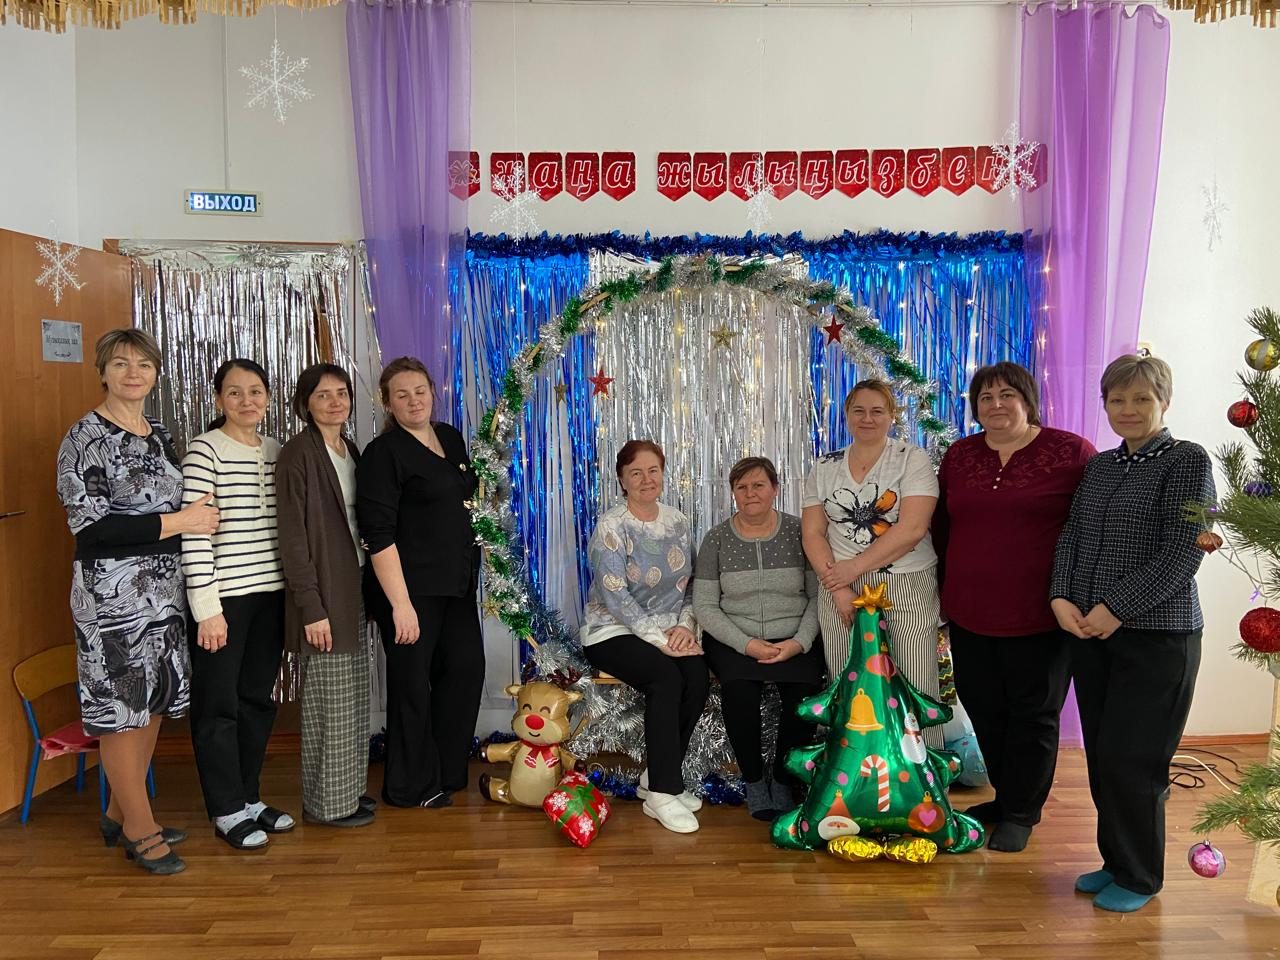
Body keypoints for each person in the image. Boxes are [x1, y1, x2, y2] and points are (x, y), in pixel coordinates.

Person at [1051, 354, 1214, 913]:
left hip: (1158, 638)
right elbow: (1072, 536)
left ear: (1163, 401)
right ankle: (1116, 860)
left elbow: (1183, 552)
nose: (1128, 409)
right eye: (1117, 399)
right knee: (1103, 756)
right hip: (1092, 634)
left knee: (1135, 761)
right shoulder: (1101, 466)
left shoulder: (1188, 460)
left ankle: (1141, 877)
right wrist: (1061, 596)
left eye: (1141, 399)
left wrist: (1115, 609)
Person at [56, 328, 219, 875]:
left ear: (155, 374)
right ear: (102, 371)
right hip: (112, 598)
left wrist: (199, 514)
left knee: (152, 703)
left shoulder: (161, 434)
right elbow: (92, 529)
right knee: (122, 713)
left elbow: (171, 505)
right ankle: (140, 828)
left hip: (164, 595)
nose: (133, 373)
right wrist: (183, 521)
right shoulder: (84, 439)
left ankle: (119, 813)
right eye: (121, 363)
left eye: (143, 364)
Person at [931, 362, 1095, 853]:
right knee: (985, 708)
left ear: (1028, 400)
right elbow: (942, 529)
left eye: (1007, 394)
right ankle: (1005, 799)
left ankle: (1023, 812)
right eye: (985, 397)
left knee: (1034, 715)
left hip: (1042, 613)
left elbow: (1091, 528)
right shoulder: (960, 455)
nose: (996, 404)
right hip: (969, 609)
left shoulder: (1070, 452)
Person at [358, 357, 484, 809]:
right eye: (402, 394)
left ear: (433, 391)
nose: (414, 401)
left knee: (465, 671)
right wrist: (400, 605)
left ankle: (446, 773)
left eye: (420, 391)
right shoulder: (382, 454)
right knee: (412, 685)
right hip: (408, 591)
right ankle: (409, 786)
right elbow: (377, 535)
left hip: (455, 584)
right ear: (388, 403)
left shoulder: (449, 437)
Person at [181, 359, 293, 850]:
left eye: (255, 391)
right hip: (224, 599)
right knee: (218, 705)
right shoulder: (204, 450)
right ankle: (225, 809)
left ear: (268, 397)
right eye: (234, 392)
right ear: (218, 399)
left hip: (271, 596)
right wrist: (207, 609)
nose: (247, 401)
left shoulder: (276, 450)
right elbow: (194, 533)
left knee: (256, 700)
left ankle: (249, 797)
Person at [801, 379, 943, 746]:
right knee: (848, 683)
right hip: (839, 586)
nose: (867, 418)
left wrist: (852, 568)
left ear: (891, 415)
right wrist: (838, 586)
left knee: (914, 680)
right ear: (847, 415)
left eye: (877, 411)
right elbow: (813, 533)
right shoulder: (824, 466)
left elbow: (912, 529)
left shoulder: (912, 459)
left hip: (905, 583)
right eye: (859, 411)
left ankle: (922, 770)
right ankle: (854, 770)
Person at [581, 440, 709, 834]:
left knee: (696, 678)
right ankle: (663, 793)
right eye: (635, 473)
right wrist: (660, 640)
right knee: (665, 678)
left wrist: (685, 627)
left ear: (663, 474)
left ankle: (656, 775)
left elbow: (693, 583)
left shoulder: (677, 521)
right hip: (611, 630)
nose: (646, 479)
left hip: (670, 629)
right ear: (622, 480)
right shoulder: (611, 526)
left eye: (653, 470)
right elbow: (614, 595)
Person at [693, 456, 823, 821]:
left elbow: (818, 596)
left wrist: (799, 642)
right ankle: (753, 780)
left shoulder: (800, 532)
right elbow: (705, 606)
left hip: (793, 634)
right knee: (739, 692)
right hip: (735, 636)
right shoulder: (716, 539)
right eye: (742, 487)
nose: (750, 493)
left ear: (775, 489)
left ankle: (782, 779)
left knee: (804, 694)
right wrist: (746, 644)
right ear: (733, 493)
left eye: (758, 485)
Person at [277, 364, 375, 828]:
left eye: (342, 393)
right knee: (329, 701)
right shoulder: (298, 454)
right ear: (305, 403)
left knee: (352, 693)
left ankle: (349, 790)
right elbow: (293, 540)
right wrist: (311, 607)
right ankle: (326, 805)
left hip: (353, 584)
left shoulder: (348, 449)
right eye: (323, 395)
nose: (335, 402)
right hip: (323, 594)